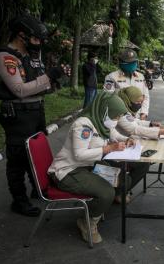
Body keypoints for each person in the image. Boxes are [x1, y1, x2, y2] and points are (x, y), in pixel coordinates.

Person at [0, 14, 63, 217]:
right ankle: (19, 200)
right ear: (21, 35)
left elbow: (39, 86)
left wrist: (52, 80)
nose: (38, 44)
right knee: (18, 158)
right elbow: (19, 90)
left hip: (35, 111)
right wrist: (49, 77)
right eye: (35, 39)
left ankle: (38, 188)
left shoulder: (31, 58)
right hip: (18, 115)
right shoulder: (6, 57)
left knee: (36, 154)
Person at [48, 91, 134, 243]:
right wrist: (108, 149)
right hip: (68, 171)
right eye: (115, 117)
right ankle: (87, 223)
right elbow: (79, 155)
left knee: (124, 179)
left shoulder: (101, 122)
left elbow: (114, 135)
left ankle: (99, 207)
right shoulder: (83, 125)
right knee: (106, 192)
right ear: (104, 110)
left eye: (119, 117)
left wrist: (127, 139)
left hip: (87, 166)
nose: (117, 121)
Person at [113, 86, 164, 203]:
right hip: (114, 148)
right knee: (143, 164)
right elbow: (134, 129)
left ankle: (123, 189)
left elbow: (134, 121)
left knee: (144, 162)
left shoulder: (124, 108)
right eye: (137, 102)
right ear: (128, 100)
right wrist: (161, 132)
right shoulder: (119, 110)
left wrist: (151, 124)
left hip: (122, 143)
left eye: (140, 102)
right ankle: (120, 191)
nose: (139, 104)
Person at [104, 49, 149, 120]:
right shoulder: (111, 77)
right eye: (129, 62)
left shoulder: (141, 76)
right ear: (121, 62)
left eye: (134, 62)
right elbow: (108, 98)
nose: (132, 64)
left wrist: (144, 113)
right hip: (120, 117)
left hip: (138, 116)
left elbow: (145, 96)